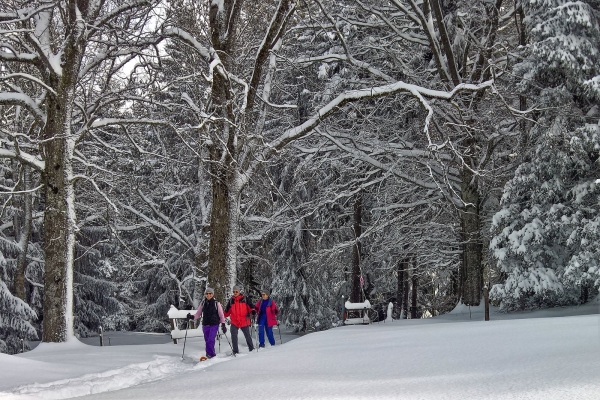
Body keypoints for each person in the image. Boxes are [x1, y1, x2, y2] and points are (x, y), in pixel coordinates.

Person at [187, 287, 226, 360]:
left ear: (212, 294)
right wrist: (192, 317)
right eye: (207, 293)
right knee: (207, 340)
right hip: (205, 325)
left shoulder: (216, 303)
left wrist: (223, 324)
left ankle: (210, 355)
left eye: (210, 293)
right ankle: (211, 354)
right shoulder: (203, 303)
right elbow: (198, 314)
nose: (208, 295)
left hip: (214, 324)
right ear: (205, 294)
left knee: (210, 340)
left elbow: (221, 314)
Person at [224, 285, 255, 354]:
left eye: (236, 291)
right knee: (234, 336)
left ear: (239, 291)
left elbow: (251, 307)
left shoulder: (245, 299)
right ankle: (235, 351)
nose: (235, 293)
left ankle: (251, 349)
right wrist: (220, 315)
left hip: (244, 320)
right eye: (234, 292)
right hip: (235, 321)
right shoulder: (231, 300)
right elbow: (226, 312)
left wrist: (252, 311)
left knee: (247, 335)